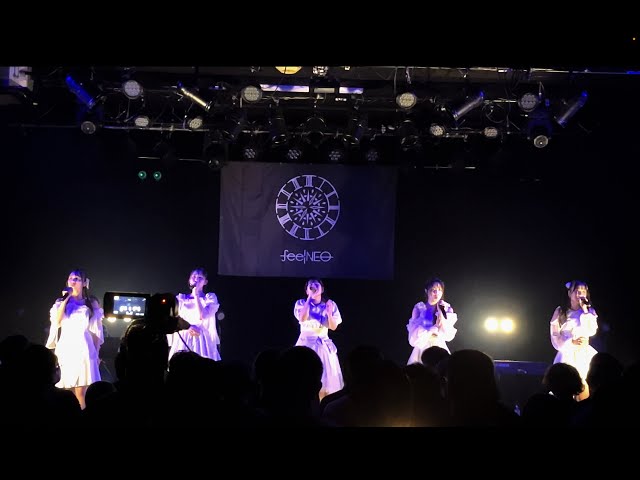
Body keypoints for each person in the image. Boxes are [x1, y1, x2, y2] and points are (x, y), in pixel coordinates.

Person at [45, 269, 104, 409]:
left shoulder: (91, 303)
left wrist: (96, 354)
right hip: (66, 347)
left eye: (77, 278)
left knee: (81, 391)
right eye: (71, 278)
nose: (73, 281)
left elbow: (96, 331)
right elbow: (57, 321)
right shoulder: (61, 302)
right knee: (66, 389)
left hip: (85, 348)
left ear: (84, 283)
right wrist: (66, 298)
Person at [293, 278, 344, 399]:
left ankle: (322, 405)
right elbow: (302, 318)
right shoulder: (301, 303)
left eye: (317, 284)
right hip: (305, 343)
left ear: (322, 289)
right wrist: (310, 298)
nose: (314, 286)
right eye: (310, 285)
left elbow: (333, 327)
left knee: (325, 380)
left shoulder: (330, 304)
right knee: (303, 377)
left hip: (322, 344)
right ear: (306, 290)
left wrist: (329, 313)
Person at [549, 280, 598, 400]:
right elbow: (555, 334)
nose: (580, 294)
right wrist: (570, 342)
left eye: (583, 291)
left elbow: (592, 330)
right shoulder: (561, 311)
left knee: (583, 381)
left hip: (583, 352)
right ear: (569, 293)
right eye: (577, 291)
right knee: (565, 382)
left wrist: (585, 310)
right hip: (567, 352)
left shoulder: (590, 311)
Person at [167, 268, 221, 362]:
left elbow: (203, 316)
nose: (196, 279)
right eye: (194, 276)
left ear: (205, 282)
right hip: (184, 337)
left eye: (200, 277)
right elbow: (173, 319)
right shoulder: (180, 299)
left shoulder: (209, 298)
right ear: (189, 280)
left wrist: (196, 295)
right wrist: (188, 327)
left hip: (202, 339)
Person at [406, 277, 458, 365]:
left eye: (439, 290)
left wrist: (441, 312)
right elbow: (413, 339)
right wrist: (431, 330)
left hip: (439, 347)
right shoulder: (419, 309)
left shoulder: (447, 308)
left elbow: (448, 336)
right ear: (426, 291)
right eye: (433, 290)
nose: (436, 293)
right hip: (422, 349)